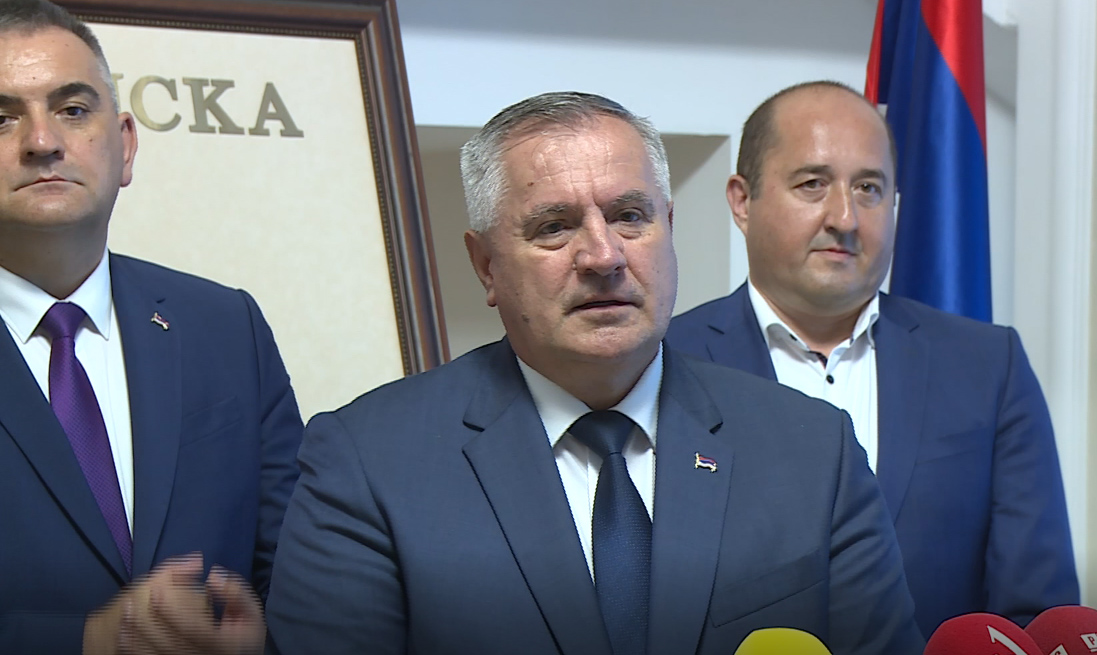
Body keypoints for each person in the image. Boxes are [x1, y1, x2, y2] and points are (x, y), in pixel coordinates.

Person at [265, 90, 924, 655]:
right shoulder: (368, 464)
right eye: (554, 226)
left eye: (629, 216)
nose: (603, 255)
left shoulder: (813, 450)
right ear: (486, 265)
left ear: (668, 228)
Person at [665, 80, 1078, 637]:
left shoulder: (987, 367)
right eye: (813, 184)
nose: (846, 217)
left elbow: (1038, 616)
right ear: (743, 201)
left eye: (868, 188)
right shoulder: (667, 362)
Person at [0, 1, 303, 653]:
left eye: (72, 109)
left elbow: (298, 570)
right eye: (2, 118)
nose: (42, 142)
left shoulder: (227, 327)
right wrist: (82, 641)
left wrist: (264, 641)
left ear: (126, 146)